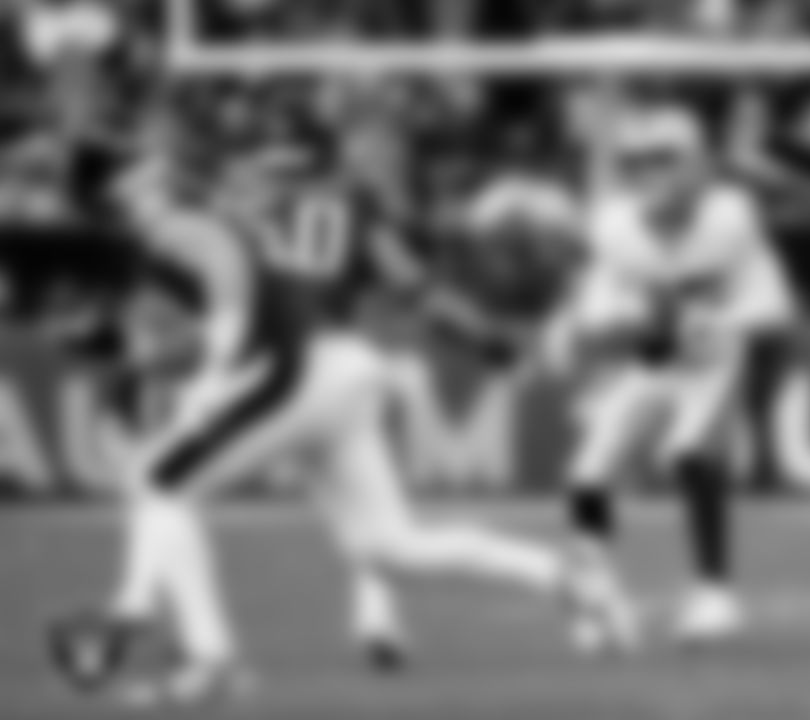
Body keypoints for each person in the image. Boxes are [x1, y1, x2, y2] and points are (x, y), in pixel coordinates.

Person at [41, 127, 639, 707]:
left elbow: (215, 300)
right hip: (338, 368)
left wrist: (179, 359)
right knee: (391, 550)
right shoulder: (284, 206)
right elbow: (403, 290)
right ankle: (569, 577)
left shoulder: (184, 220)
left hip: (298, 371)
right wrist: (133, 352)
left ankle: (200, 651)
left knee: (160, 485)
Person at [552, 103, 794, 642]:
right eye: (638, 161)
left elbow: (770, 309)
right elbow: (596, 315)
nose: (649, 174)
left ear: (697, 164)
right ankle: (598, 601)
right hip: (653, 362)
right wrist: (636, 327)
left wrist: (709, 323)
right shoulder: (615, 227)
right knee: (587, 474)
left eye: (663, 159)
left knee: (689, 454)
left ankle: (715, 593)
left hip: (712, 357)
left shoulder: (731, 217)